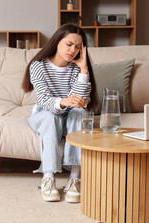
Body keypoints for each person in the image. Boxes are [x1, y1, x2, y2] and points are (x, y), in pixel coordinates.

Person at [22, 23, 98, 203]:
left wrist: (84, 70)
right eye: (69, 44)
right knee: (50, 116)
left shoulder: (76, 68)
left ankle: (74, 179)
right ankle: (48, 178)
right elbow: (44, 100)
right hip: (44, 115)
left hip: (70, 116)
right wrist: (64, 101)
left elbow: (81, 100)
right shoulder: (38, 66)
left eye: (78, 47)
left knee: (79, 113)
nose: (73, 50)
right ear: (57, 42)